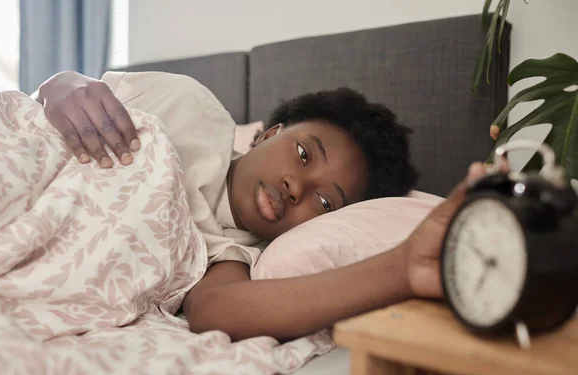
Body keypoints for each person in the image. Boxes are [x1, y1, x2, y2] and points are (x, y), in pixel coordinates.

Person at [33, 70, 489, 342]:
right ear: (270, 133)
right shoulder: (190, 106)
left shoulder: (237, 252)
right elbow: (54, 104)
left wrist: (402, 268)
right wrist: (61, 83)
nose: (297, 187)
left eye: (326, 202)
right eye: (304, 154)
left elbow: (218, 308)